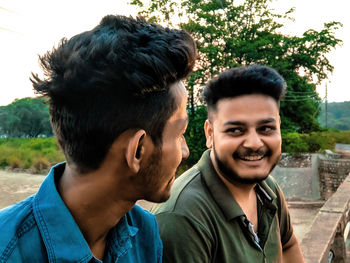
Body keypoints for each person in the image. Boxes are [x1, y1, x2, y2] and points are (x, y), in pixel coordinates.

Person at [0, 15, 197, 262]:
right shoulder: (6, 251)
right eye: (179, 134)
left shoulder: (145, 232)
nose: (185, 151)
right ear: (137, 150)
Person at [152, 64, 305, 262]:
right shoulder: (183, 218)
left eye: (266, 128)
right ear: (210, 134)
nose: (254, 143)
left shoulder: (267, 189)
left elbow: (288, 243)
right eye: (235, 130)